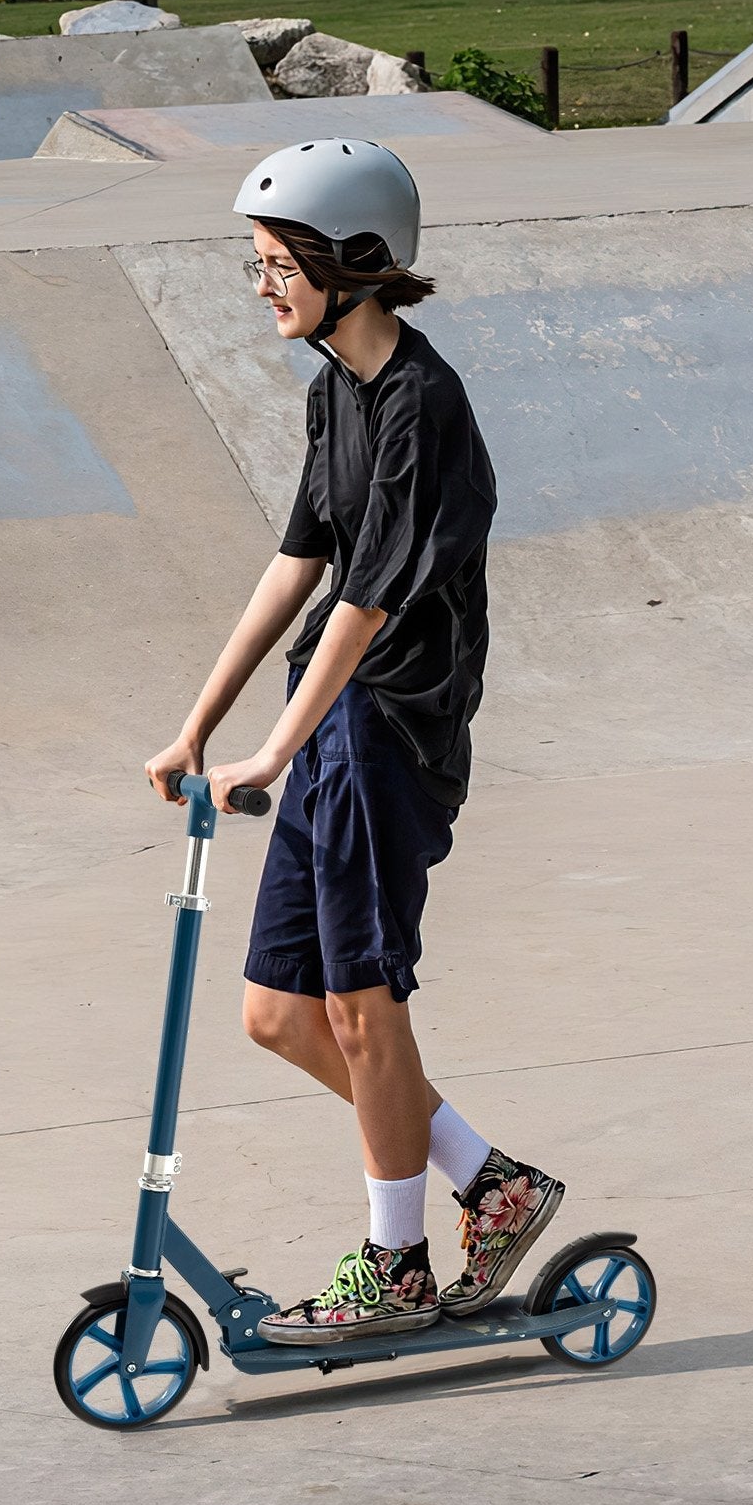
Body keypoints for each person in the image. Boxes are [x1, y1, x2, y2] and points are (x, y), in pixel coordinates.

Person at [146, 139, 562, 1346]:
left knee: (363, 1008)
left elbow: (371, 600)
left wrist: (273, 751)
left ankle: (399, 1265)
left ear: (359, 265)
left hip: (386, 734)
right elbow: (301, 562)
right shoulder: (334, 386)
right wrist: (197, 723)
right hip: (324, 723)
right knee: (278, 1015)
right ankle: (495, 1185)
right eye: (258, 265)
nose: (264, 286)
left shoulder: (422, 407)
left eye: (280, 265)